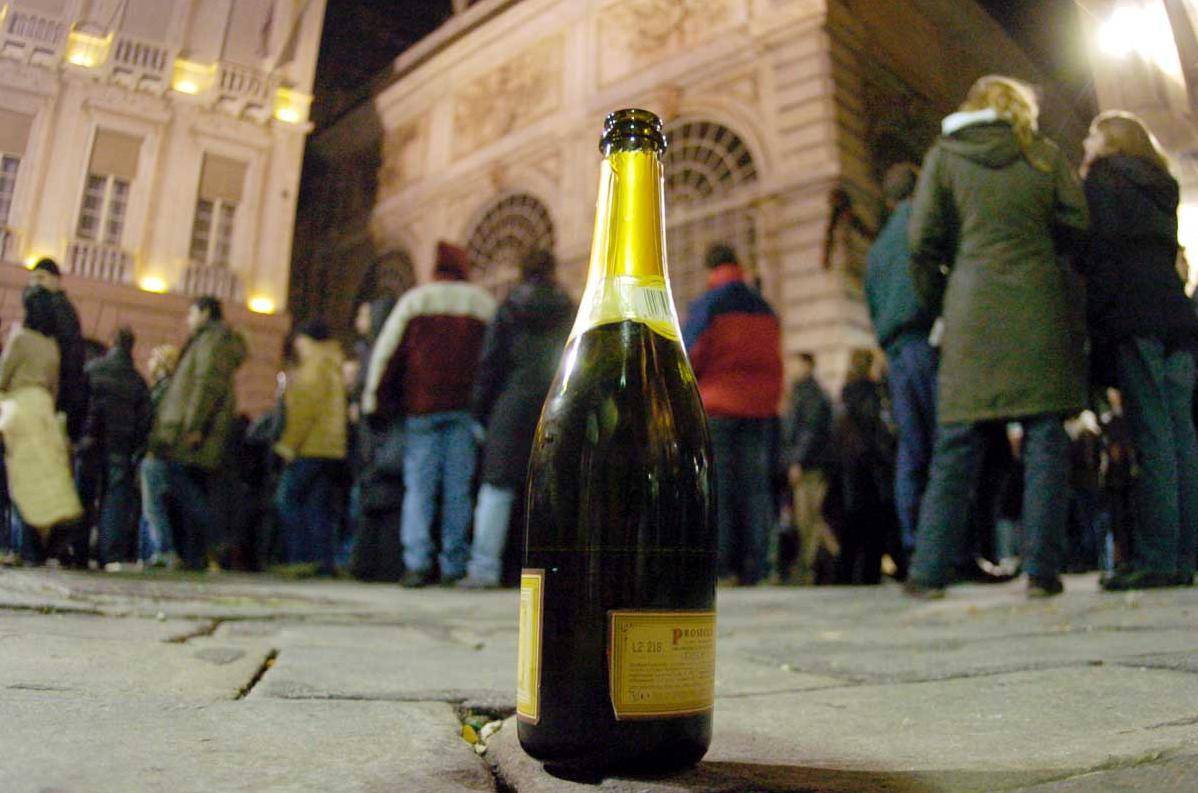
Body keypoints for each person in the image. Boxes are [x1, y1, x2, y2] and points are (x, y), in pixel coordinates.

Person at [904, 75, 1089, 599]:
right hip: (1038, 304)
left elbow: (921, 242)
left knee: (957, 442)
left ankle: (928, 572)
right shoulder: (1043, 154)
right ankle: (1042, 573)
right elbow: (1077, 225)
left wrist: (942, 301)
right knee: (1045, 439)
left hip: (970, 306)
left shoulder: (945, 154)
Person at [1081, 111, 1198, 590]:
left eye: (1091, 135)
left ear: (1109, 142)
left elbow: (1101, 260)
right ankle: (1184, 554)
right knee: (1181, 438)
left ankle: (1157, 559)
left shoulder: (1103, 183)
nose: (1085, 143)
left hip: (1135, 317)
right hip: (1176, 315)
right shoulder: (1161, 185)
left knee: (1151, 438)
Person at [363, 242, 497, 588]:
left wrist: (375, 402)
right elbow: (493, 359)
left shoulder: (416, 301)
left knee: (419, 488)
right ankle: (453, 563)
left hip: (421, 409)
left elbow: (387, 354)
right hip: (463, 411)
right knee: (458, 490)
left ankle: (417, 562)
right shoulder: (481, 304)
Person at [459, 249, 574, 589]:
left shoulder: (509, 308)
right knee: (554, 491)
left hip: (511, 404)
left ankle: (484, 568)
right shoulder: (570, 308)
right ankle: (556, 573)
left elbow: (490, 362)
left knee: (497, 488)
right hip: (557, 404)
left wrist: (480, 410)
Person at [683, 243, 784, 586]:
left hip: (719, 407)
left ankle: (723, 566)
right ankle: (758, 566)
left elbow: (690, 355)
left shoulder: (708, 305)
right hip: (759, 410)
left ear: (710, 270)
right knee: (756, 488)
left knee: (721, 488)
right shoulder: (765, 307)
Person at [865, 163, 938, 564]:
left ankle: (915, 543)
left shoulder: (877, 249)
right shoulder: (924, 225)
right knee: (946, 442)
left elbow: (872, 304)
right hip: (928, 340)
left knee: (911, 449)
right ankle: (950, 544)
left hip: (895, 351)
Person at [148, 296, 247, 572]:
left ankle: (217, 539)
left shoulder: (212, 341)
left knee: (180, 481)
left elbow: (206, 384)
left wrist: (194, 426)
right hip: (192, 426)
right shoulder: (208, 340)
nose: (188, 320)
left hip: (195, 429)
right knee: (189, 484)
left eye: (191, 313)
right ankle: (198, 552)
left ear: (205, 313)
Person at [0, 287, 84, 564]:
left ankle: (5, 545)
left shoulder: (20, 338)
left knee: (9, 481)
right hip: (43, 412)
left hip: (18, 408)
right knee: (33, 485)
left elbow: (3, 376)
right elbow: (55, 387)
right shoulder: (52, 346)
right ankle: (32, 551)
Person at [273, 321, 347, 577]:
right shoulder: (332, 361)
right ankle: (324, 561)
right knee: (317, 506)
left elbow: (304, 411)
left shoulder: (313, 364)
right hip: (331, 447)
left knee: (286, 499)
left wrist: (287, 446)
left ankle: (301, 557)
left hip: (310, 446)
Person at [823, 349, 896, 584]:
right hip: (870, 467)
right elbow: (877, 432)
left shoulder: (843, 395)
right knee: (873, 526)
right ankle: (869, 576)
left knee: (851, 527)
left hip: (848, 467)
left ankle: (844, 576)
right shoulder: (873, 393)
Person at [82, 327, 152, 569]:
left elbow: (82, 403)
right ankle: (109, 554)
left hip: (91, 443)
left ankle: (79, 551)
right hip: (121, 447)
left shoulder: (93, 369)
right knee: (115, 501)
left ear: (112, 342)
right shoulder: (137, 380)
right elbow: (145, 420)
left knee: (86, 495)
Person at [348, 296, 405, 583]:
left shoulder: (377, 350)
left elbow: (370, 391)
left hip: (378, 432)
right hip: (387, 433)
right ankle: (381, 563)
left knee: (377, 495)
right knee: (385, 499)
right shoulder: (390, 346)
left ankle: (370, 563)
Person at [782, 352, 836, 584]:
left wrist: (798, 461)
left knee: (808, 519)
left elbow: (809, 432)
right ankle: (812, 565)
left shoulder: (809, 393)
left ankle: (808, 568)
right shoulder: (803, 392)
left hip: (810, 466)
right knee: (809, 518)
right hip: (809, 464)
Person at [26, 259, 87, 442]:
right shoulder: (51, 305)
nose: (37, 283)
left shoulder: (56, 307)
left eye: (42, 277)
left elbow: (68, 356)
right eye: (33, 278)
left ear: (56, 280)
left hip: (46, 392)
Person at [139, 344, 179, 566]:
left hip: (157, 453)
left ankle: (163, 550)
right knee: (151, 506)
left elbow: (156, 421)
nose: (150, 362)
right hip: (159, 453)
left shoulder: (164, 389)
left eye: (154, 358)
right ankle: (150, 552)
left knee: (153, 505)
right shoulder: (168, 388)